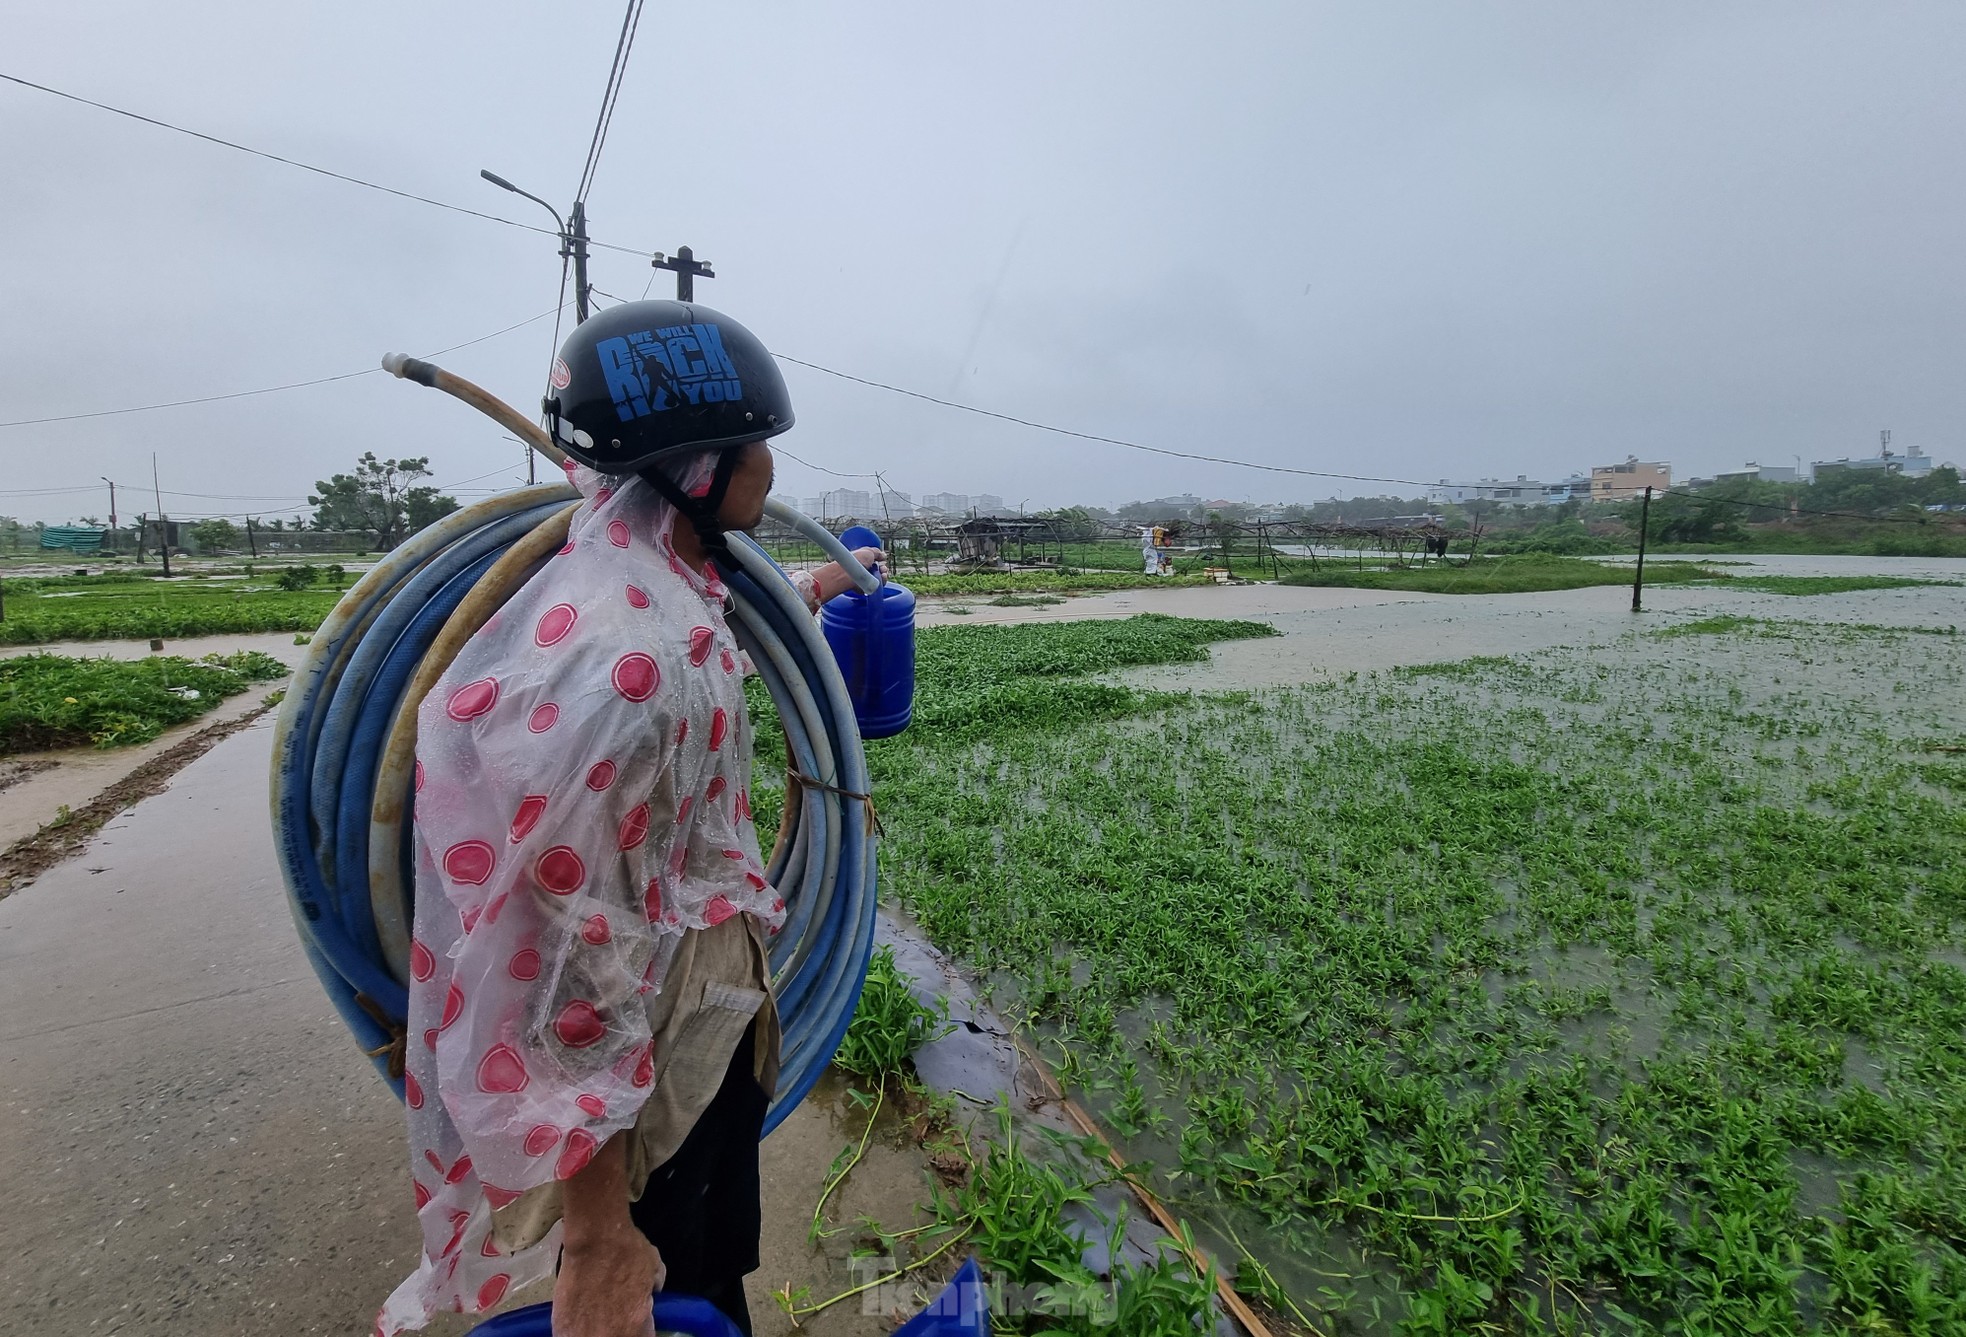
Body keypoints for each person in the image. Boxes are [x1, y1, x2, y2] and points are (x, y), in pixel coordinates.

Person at [378, 301, 879, 1337]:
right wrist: (598, 1227)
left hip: (695, 1034)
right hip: (654, 1070)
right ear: (694, 464)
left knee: (707, 1273)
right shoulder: (632, 666)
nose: (771, 468)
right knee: (671, 1288)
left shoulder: (652, 592)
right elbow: (568, 951)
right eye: (757, 444)